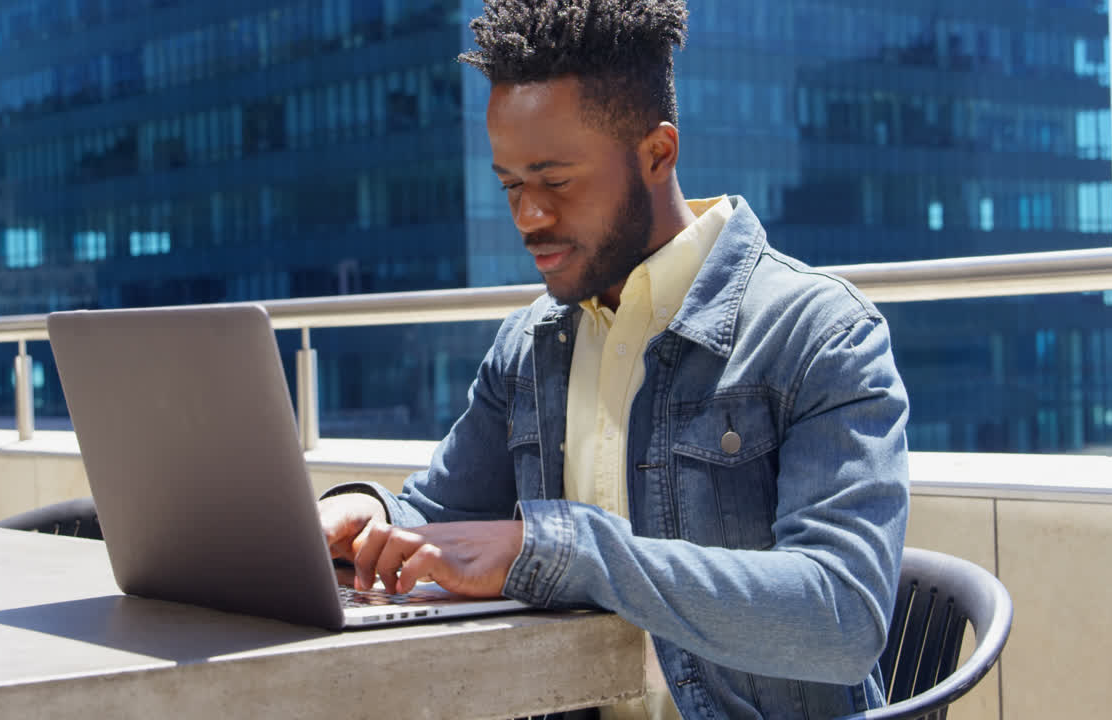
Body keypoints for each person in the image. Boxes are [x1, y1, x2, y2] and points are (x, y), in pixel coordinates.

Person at [317, 1, 910, 717]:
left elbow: (840, 618)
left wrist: (563, 551)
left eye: (556, 181)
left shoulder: (818, 332)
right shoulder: (530, 346)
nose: (527, 217)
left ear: (657, 153)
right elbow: (440, 517)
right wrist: (363, 515)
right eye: (510, 185)